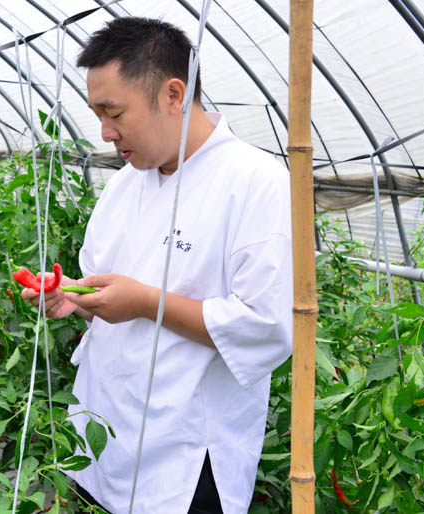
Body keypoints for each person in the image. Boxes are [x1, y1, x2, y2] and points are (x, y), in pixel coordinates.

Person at [21, 17, 293, 514]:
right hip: (103, 437)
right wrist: (73, 297)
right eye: (97, 114)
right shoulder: (125, 184)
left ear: (173, 95)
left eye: (113, 112)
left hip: (186, 460)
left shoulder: (255, 181)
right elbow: (105, 294)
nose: (106, 133)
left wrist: (147, 303)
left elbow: (266, 326)